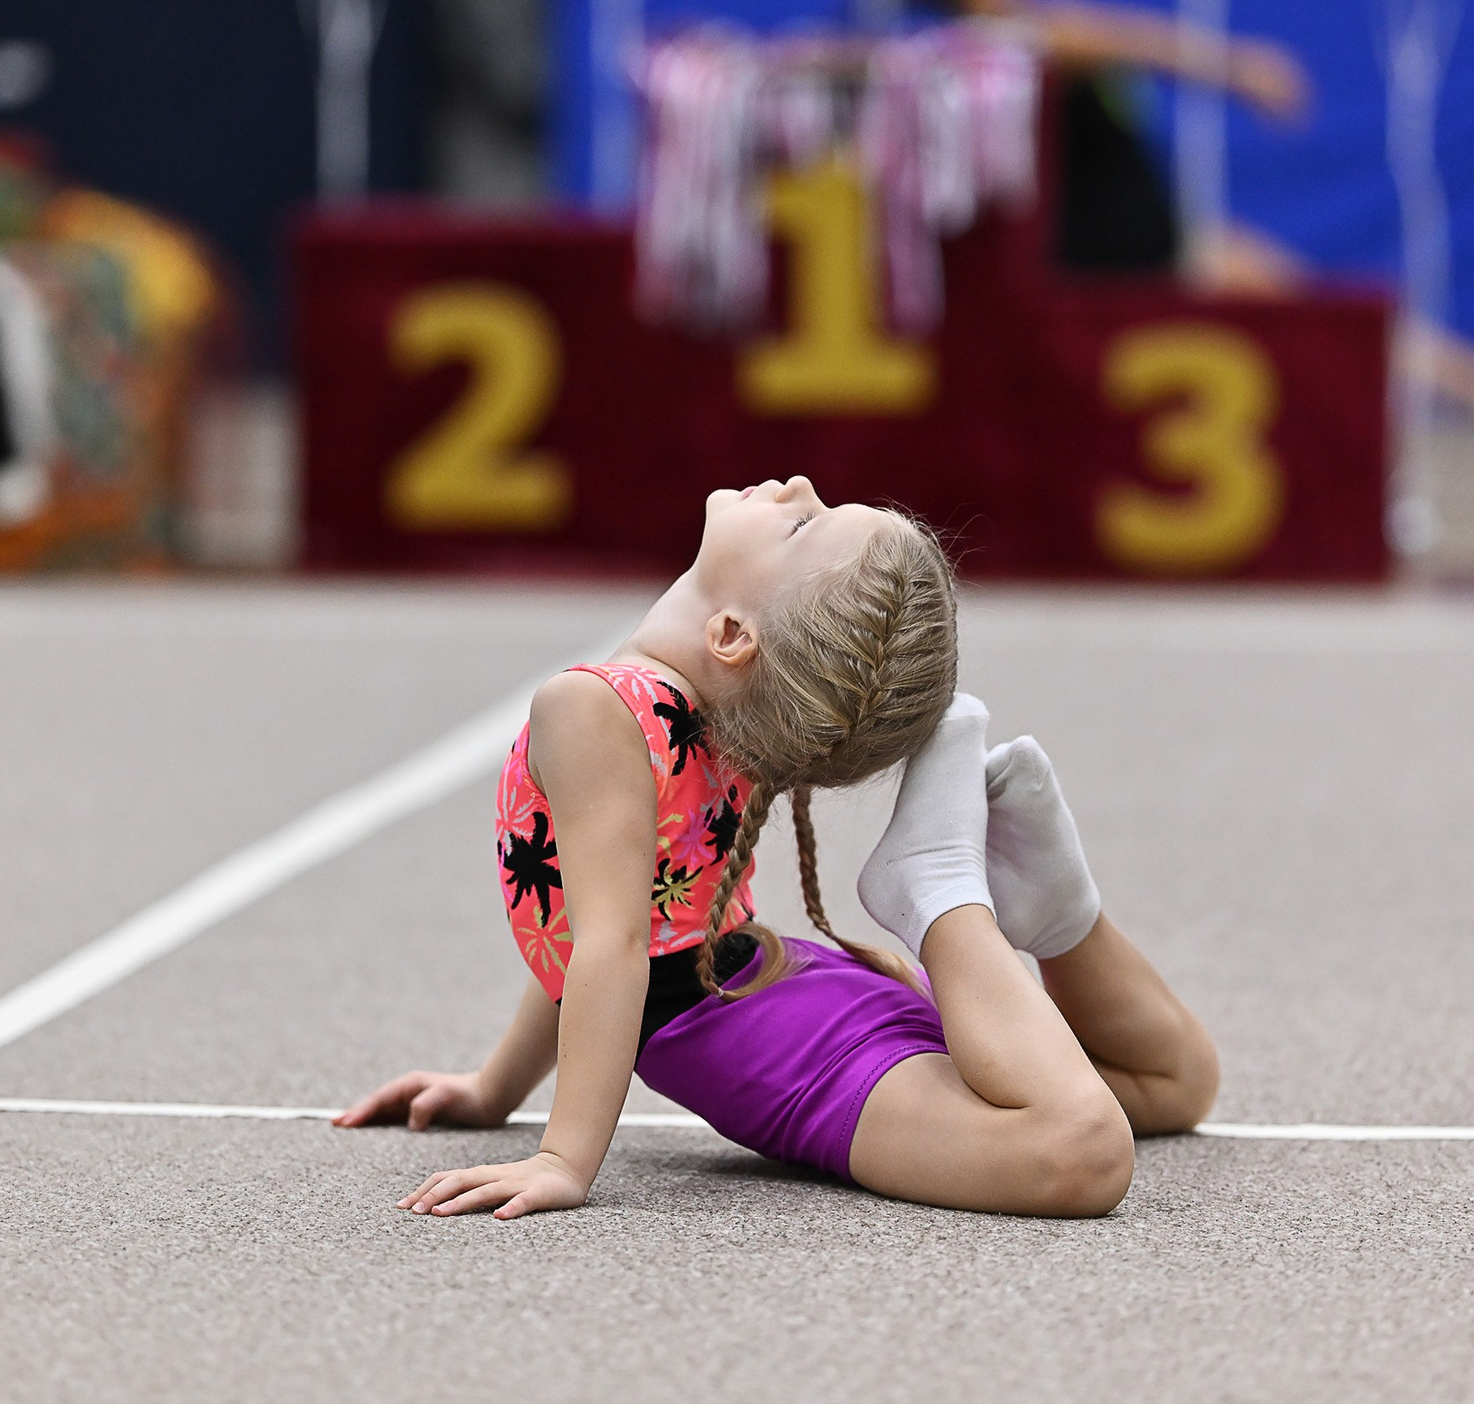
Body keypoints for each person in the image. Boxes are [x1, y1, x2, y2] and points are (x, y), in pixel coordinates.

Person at [337, 476, 1220, 1218]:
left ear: (731, 635)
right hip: (780, 993)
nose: (798, 485)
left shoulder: (599, 707)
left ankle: (946, 889)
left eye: (802, 522)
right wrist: (495, 1090)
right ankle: (1057, 916)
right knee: (1168, 1083)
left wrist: (563, 1157)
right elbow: (598, 936)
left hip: (773, 1041)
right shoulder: (710, 706)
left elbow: (611, 949)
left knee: (1081, 1147)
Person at [901, 0, 1311, 289]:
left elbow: (1098, 30)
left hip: (1142, 236)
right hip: (1110, 251)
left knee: (1276, 276)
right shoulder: (1002, 42)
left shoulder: (1028, 24)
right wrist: (1241, 71)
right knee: (1278, 297)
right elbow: (1128, 41)